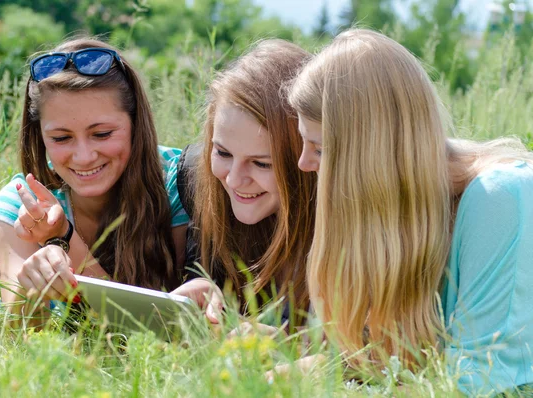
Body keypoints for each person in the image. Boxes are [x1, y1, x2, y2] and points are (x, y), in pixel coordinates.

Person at [287, 28, 533, 395]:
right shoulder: (402, 216)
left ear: (371, 154)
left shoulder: (500, 198)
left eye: (320, 149)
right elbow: (387, 363)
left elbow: (478, 382)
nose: (304, 163)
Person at [0, 39, 189, 323]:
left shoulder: (177, 179)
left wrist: (63, 236)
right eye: (61, 138)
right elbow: (17, 334)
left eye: (102, 134)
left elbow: (167, 324)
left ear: (136, 123)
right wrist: (31, 288)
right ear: (40, 135)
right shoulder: (20, 203)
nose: (84, 157)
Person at [172, 39, 317, 330]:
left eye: (262, 163)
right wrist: (201, 287)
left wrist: (279, 342)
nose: (234, 179)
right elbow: (205, 269)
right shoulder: (198, 179)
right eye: (223, 153)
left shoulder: (346, 211)